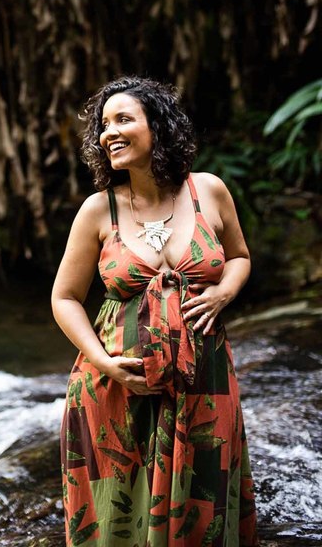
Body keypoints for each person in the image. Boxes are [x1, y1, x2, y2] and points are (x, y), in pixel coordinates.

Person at [51, 76, 258, 545]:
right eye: (104, 125)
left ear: (159, 127)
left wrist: (225, 291)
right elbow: (64, 298)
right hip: (116, 384)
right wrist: (104, 363)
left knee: (202, 502)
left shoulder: (209, 191)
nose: (109, 133)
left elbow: (240, 257)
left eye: (123, 119)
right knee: (118, 512)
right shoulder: (98, 211)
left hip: (203, 378)